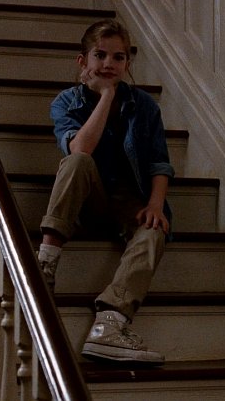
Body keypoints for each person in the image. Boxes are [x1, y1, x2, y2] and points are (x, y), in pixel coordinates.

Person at [37, 19, 173, 365]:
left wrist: (155, 204)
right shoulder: (66, 102)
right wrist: (107, 96)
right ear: (82, 61)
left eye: (118, 57)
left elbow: (159, 163)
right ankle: (45, 266)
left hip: (129, 201)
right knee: (78, 162)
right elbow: (80, 147)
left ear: (128, 63)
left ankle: (109, 324)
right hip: (86, 198)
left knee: (154, 230)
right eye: (100, 55)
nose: (109, 64)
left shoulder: (145, 106)